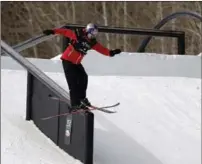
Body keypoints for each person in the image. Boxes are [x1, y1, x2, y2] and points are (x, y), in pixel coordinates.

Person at [43, 23, 121, 110]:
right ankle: (75, 104)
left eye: (95, 34)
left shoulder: (92, 42)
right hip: (68, 61)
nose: (93, 36)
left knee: (83, 77)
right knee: (73, 83)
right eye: (92, 34)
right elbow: (65, 32)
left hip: (76, 63)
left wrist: (111, 53)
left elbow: (101, 49)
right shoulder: (78, 35)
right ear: (88, 31)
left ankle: (82, 99)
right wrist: (53, 31)